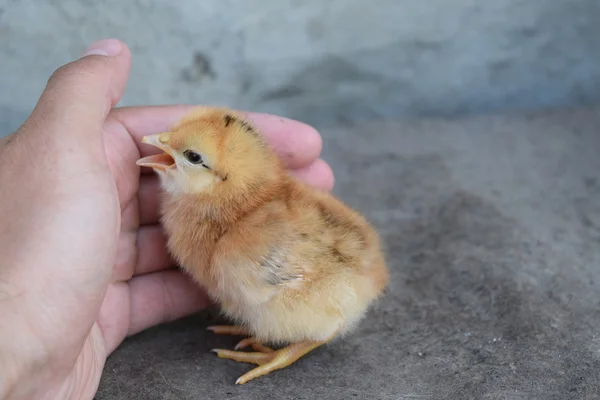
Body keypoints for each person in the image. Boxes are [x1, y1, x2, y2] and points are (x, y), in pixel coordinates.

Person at [0, 39, 334, 399]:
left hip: (323, 292)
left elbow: (332, 279)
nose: (157, 140)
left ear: (220, 180)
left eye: (189, 155)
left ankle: (307, 339)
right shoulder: (217, 217)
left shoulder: (247, 240)